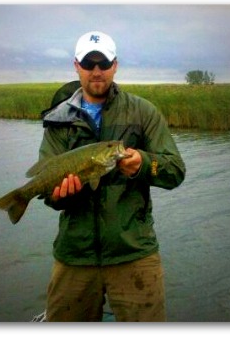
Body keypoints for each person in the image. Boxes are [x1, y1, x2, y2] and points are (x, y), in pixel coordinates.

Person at [38, 31, 186, 322]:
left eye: (103, 63)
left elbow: (175, 171)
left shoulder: (143, 112)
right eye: (89, 64)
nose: (96, 71)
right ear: (76, 66)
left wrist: (143, 163)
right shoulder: (58, 120)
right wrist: (57, 196)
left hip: (134, 252)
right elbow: (48, 190)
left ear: (115, 66)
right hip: (74, 254)